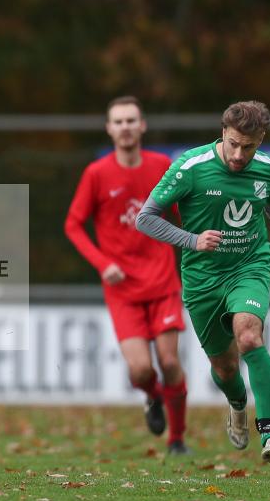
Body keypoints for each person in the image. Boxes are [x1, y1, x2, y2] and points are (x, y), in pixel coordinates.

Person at [137, 100, 270, 470]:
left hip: (250, 265)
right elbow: (145, 218)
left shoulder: (268, 170)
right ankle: (237, 405)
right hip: (202, 280)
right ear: (223, 133)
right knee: (226, 368)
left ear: (260, 140)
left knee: (249, 336)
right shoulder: (191, 167)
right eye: (233, 144)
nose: (238, 154)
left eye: (248, 147)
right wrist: (192, 239)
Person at [65, 96, 190, 454]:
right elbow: (73, 225)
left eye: (131, 120)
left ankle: (177, 440)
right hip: (122, 289)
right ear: (109, 129)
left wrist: (197, 247)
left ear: (142, 125)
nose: (125, 127)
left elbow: (185, 215)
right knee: (140, 370)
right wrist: (103, 264)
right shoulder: (97, 174)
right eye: (118, 122)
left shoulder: (162, 165)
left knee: (169, 362)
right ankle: (152, 398)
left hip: (163, 281)